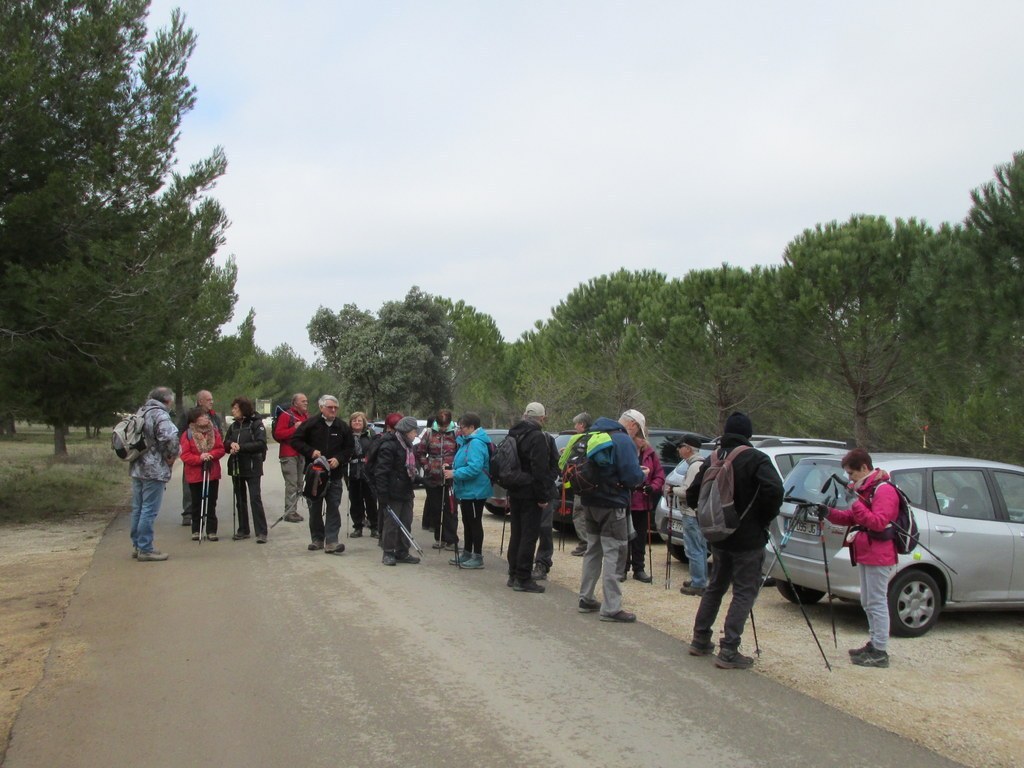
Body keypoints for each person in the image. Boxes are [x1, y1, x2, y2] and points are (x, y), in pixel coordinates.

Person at [686, 412, 783, 669]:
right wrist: (762, 518)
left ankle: (700, 639)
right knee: (743, 592)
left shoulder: (713, 458)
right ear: (748, 434)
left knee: (715, 586)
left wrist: (706, 517)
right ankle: (729, 649)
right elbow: (774, 491)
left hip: (719, 535)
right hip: (748, 538)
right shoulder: (755, 459)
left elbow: (692, 494)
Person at [817, 448, 899, 668]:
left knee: (877, 601)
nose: (849, 479)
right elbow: (851, 518)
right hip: (866, 551)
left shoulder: (883, 491)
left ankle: (880, 650)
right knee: (868, 601)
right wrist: (828, 512)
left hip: (879, 553)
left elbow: (878, 522)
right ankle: (874, 643)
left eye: (852, 474)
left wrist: (854, 502)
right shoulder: (865, 489)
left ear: (864, 468)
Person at [575, 412, 645, 621]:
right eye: (638, 430)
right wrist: (643, 474)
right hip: (613, 504)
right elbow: (631, 477)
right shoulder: (622, 440)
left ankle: (585, 597)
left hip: (589, 501)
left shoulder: (592, 433)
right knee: (615, 553)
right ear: (631, 424)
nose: (636, 435)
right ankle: (611, 608)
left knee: (593, 549)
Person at [505, 402, 558, 593]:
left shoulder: (513, 433)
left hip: (515, 489)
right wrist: (542, 496)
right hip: (530, 493)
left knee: (517, 533)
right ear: (541, 418)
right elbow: (540, 470)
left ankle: (513, 574)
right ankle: (523, 577)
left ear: (524, 415)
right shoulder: (537, 437)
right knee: (529, 535)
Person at [291, 395, 354, 554]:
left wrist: (339, 459)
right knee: (315, 508)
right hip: (315, 475)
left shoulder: (342, 427)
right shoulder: (310, 424)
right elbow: (295, 441)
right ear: (321, 408)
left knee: (333, 506)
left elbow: (349, 448)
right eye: (330, 407)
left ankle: (332, 541)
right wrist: (311, 452)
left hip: (335, 475)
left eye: (335, 408)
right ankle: (317, 539)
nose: (333, 410)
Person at [129, 387, 180, 561]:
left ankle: (137, 545)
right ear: (167, 400)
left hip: (137, 465)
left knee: (138, 508)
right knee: (149, 509)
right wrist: (171, 456)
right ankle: (145, 548)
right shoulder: (160, 414)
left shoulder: (141, 411)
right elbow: (170, 438)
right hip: (154, 467)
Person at [443, 412, 492, 569]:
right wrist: (452, 468)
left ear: (472, 427)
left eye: (462, 427)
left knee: (474, 523)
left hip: (475, 491)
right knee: (467, 522)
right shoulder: (467, 441)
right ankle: (467, 552)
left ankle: (477, 556)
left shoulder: (476, 443)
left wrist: (454, 473)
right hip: (467, 489)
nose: (459, 430)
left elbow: (475, 468)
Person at [374, 416, 422, 566]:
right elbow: (381, 472)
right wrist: (382, 494)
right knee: (392, 523)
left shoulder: (408, 447)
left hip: (406, 491)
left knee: (406, 521)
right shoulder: (389, 445)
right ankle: (388, 552)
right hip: (392, 492)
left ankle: (402, 551)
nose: (416, 435)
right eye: (414, 431)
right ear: (406, 431)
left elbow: (410, 470)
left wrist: (421, 481)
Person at [665, 434, 709, 596]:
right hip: (697, 512)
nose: (678, 450)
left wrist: (672, 490)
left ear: (689, 448)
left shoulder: (694, 466)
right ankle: (699, 578)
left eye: (681, 446)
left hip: (691, 512)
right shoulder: (699, 464)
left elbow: (687, 491)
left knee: (694, 548)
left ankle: (698, 582)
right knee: (700, 546)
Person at [624, 411, 665, 583]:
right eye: (640, 437)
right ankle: (622, 568)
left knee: (640, 537)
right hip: (627, 500)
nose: (642, 440)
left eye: (644, 437)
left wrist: (653, 487)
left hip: (643, 501)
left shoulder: (650, 454)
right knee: (625, 536)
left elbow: (660, 475)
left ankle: (638, 568)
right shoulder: (627, 451)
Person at [226, 396, 269, 544]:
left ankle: (261, 532)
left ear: (243, 409)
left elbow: (261, 443)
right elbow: (225, 443)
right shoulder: (233, 426)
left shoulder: (256, 424)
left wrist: (241, 448)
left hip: (253, 466)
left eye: (236, 408)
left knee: (255, 498)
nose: (233, 411)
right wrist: (230, 445)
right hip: (237, 466)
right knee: (240, 499)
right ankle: (243, 529)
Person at [179, 406, 226, 541]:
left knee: (211, 502)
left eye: (206, 416)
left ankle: (211, 530)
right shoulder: (187, 434)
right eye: (202, 416)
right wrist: (199, 458)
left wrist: (210, 455)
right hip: (195, 474)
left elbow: (220, 449)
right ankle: (196, 529)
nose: (206, 418)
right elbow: (185, 455)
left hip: (212, 472)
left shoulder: (214, 432)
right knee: (196, 502)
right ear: (195, 419)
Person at [417, 409, 459, 549]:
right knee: (436, 509)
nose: (443, 428)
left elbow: (460, 452)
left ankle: (451, 539)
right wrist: (427, 466)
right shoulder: (429, 433)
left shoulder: (456, 433)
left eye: (445, 425)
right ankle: (439, 538)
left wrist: (454, 467)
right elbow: (420, 452)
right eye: (441, 425)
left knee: (451, 509)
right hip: (433, 477)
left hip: (450, 477)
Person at [273, 393, 309, 524]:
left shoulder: (305, 416)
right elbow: (278, 434)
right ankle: (289, 512)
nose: (306, 403)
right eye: (303, 401)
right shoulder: (286, 415)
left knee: (299, 483)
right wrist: (294, 428)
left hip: (301, 453)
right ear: (295, 403)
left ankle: (292, 510)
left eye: (307, 401)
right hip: (288, 454)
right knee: (292, 483)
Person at [346, 411, 378, 538]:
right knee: (355, 501)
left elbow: (375, 451)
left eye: (359, 420)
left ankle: (374, 527)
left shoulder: (370, 434)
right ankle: (358, 527)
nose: (357, 423)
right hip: (353, 471)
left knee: (370, 500)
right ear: (350, 423)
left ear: (364, 422)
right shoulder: (347, 436)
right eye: (354, 420)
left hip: (368, 472)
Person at [567, 411, 592, 556]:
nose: (575, 427)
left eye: (576, 424)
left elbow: (577, 460)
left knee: (579, 513)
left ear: (582, 424)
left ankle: (585, 544)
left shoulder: (582, 440)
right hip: (590, 484)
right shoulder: (594, 438)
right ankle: (588, 543)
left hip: (581, 484)